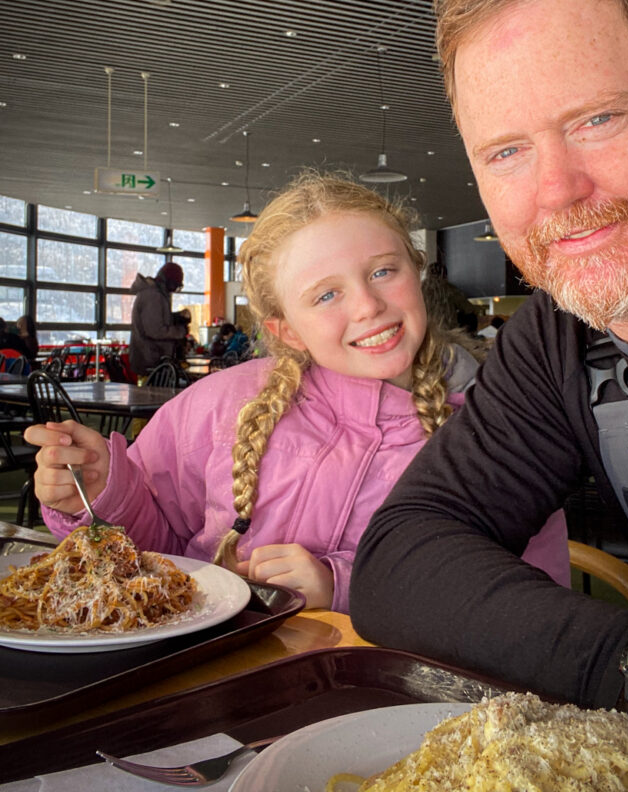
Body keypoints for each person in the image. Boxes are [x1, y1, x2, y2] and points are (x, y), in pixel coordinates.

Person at [350, 0, 628, 747]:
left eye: (596, 119)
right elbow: (403, 558)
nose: (556, 192)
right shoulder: (558, 342)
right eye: (506, 151)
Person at [24, 172, 568, 612]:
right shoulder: (214, 408)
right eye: (326, 293)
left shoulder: (499, 432)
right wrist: (101, 493)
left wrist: (345, 589)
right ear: (285, 329)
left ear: (417, 272)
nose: (367, 306)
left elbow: (527, 603)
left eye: (383, 271)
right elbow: (156, 561)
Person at [128, 261, 190, 376]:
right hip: (151, 361)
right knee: (150, 394)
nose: (173, 290)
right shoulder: (153, 295)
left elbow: (157, 320)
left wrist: (177, 316)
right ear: (168, 281)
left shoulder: (153, 293)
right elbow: (155, 330)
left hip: (149, 359)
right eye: (174, 285)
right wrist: (180, 331)